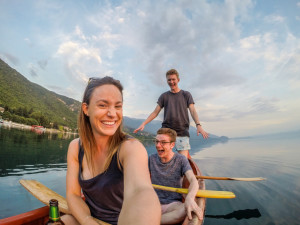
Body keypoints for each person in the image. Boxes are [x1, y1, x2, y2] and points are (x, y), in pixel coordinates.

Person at [62, 76, 161, 225]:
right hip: (89, 218)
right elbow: (73, 195)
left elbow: (140, 191)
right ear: (86, 109)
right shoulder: (75, 147)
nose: (112, 114)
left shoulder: (131, 148)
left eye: (118, 106)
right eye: (103, 105)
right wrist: (87, 221)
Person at [134, 69, 209, 158]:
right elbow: (155, 112)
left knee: (183, 161)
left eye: (173, 79)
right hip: (166, 132)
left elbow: (192, 110)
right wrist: (144, 123)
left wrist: (198, 125)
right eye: (169, 80)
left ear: (178, 80)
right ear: (167, 81)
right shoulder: (164, 96)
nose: (171, 82)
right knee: (163, 159)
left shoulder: (186, 94)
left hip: (182, 132)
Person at [149, 128, 203, 224]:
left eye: (163, 142)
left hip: (172, 205)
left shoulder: (181, 159)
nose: (158, 145)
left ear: (172, 145)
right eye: (156, 141)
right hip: (152, 202)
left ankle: (148, 221)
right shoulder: (151, 159)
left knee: (186, 209)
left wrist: (190, 198)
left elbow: (193, 180)